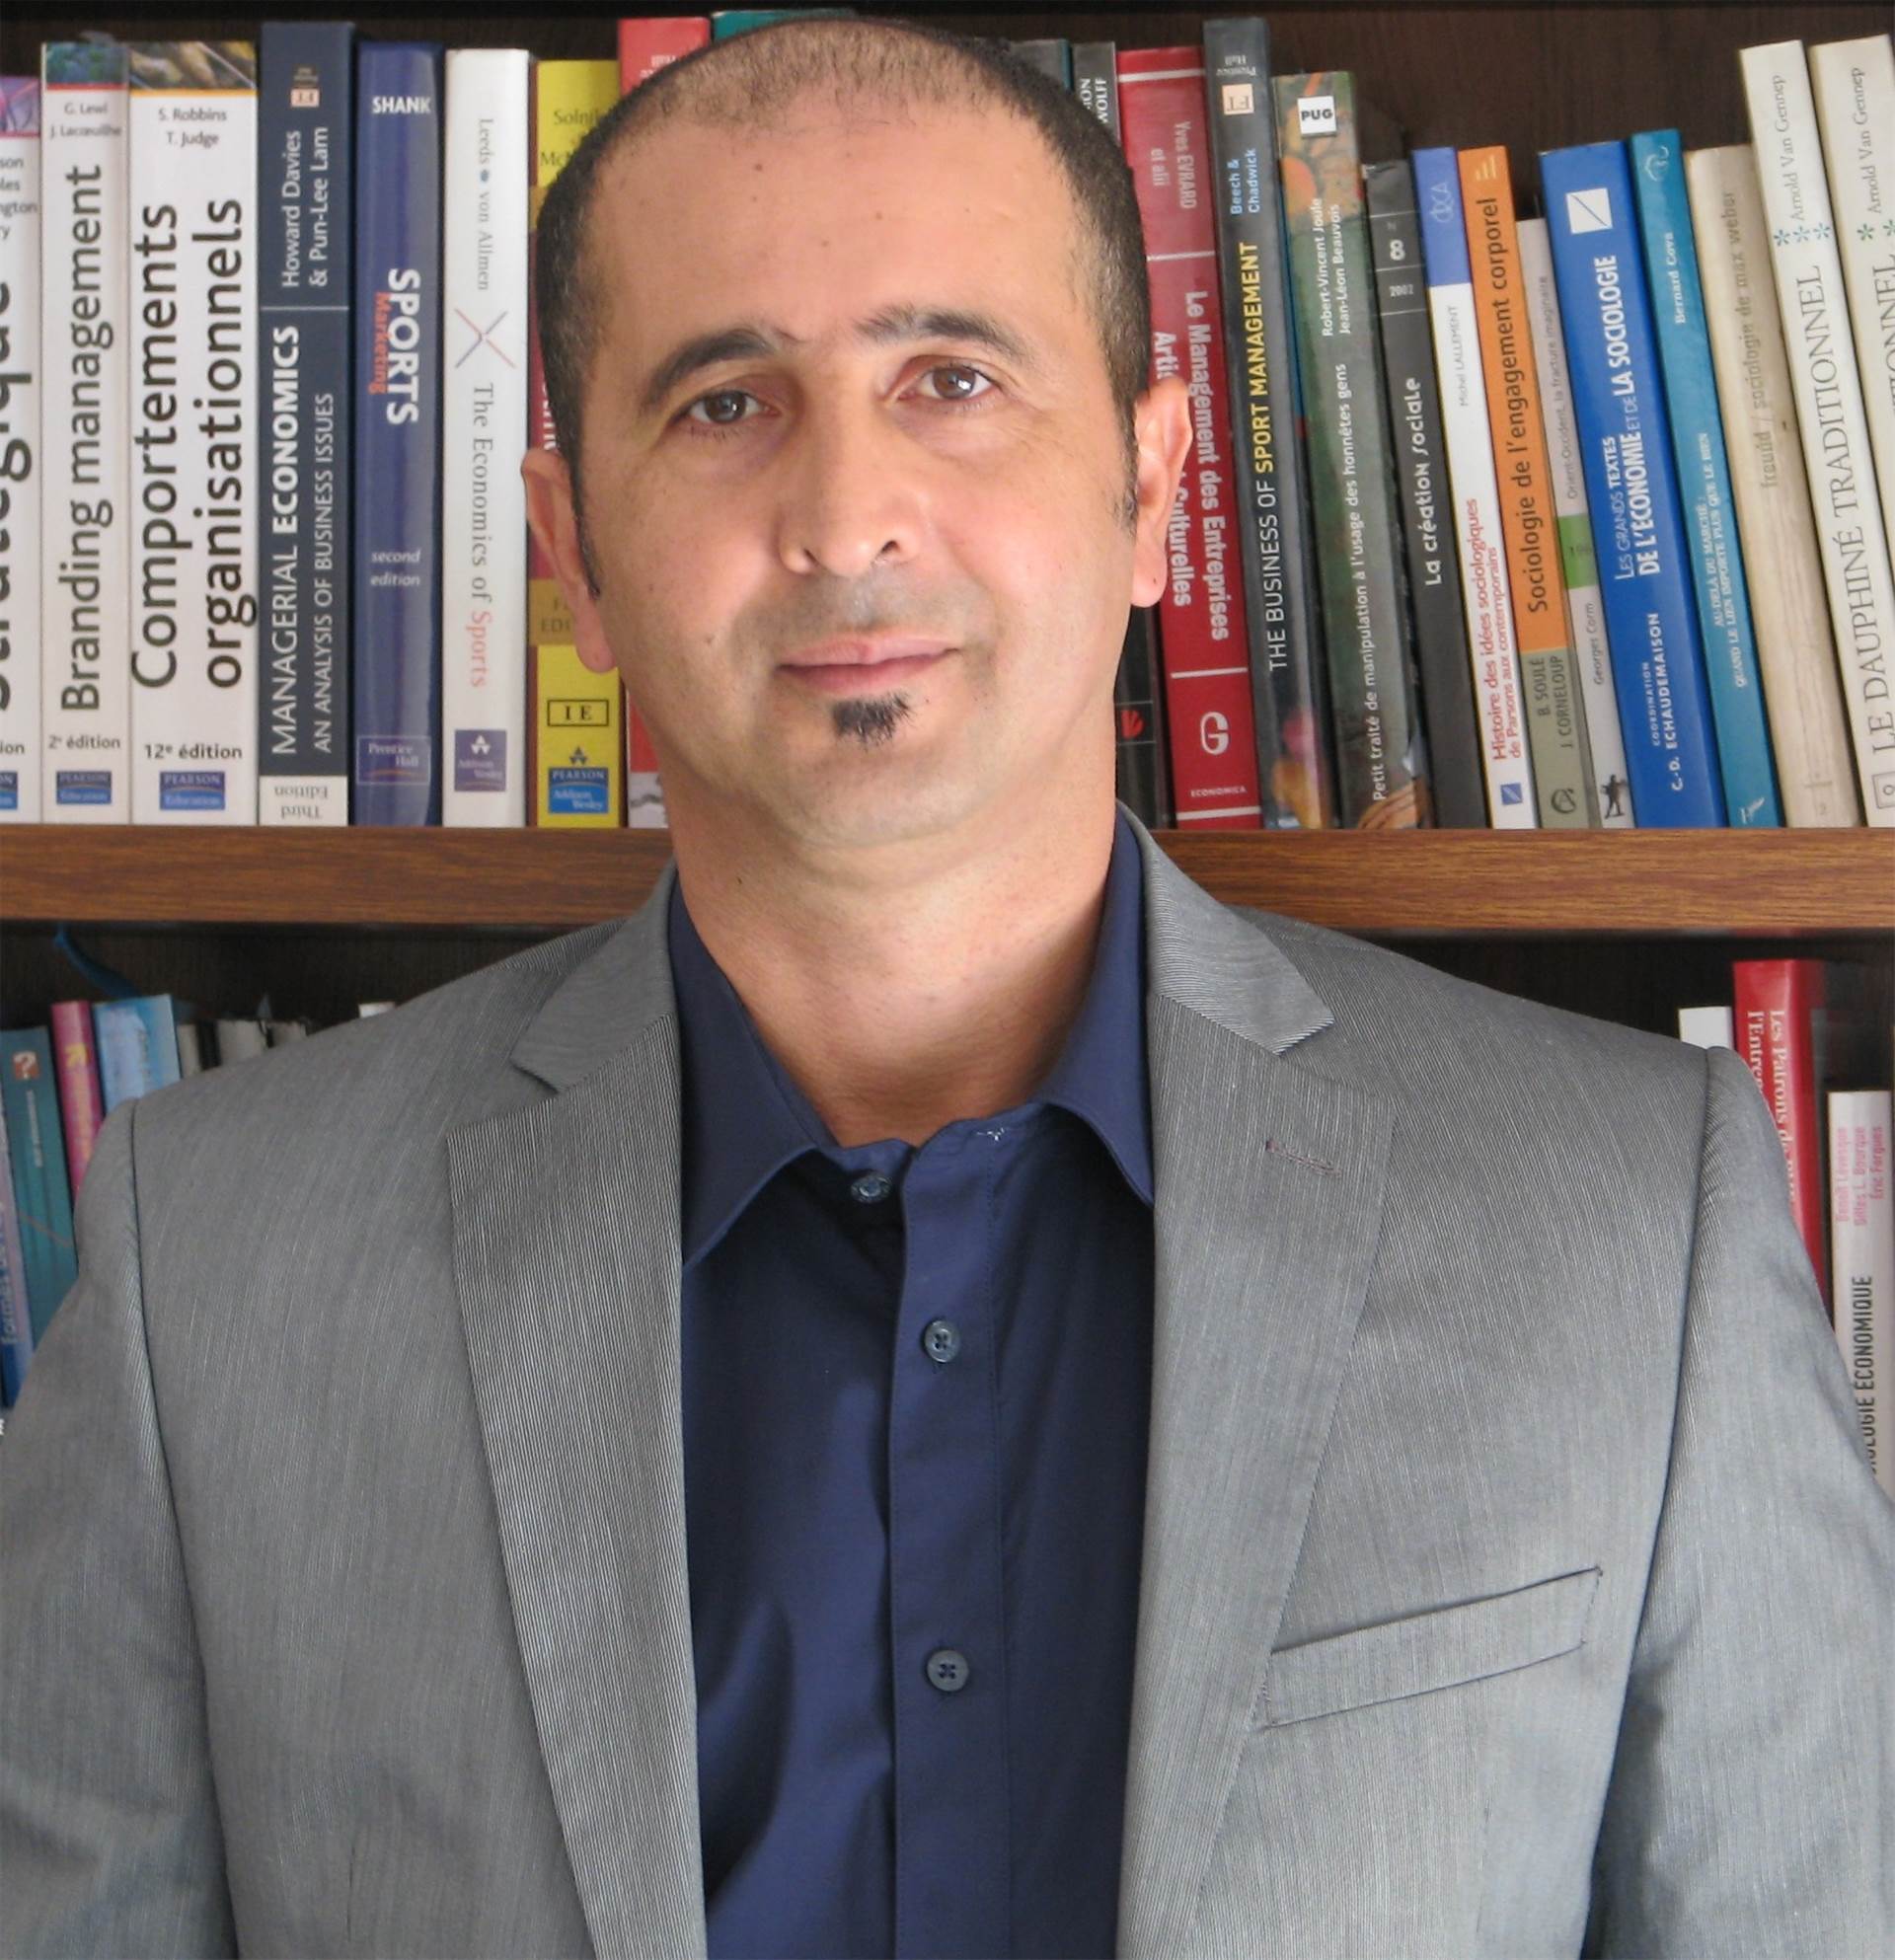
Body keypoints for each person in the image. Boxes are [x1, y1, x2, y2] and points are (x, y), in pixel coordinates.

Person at [2, 17, 1890, 1958]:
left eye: (953, 380)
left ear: (1154, 487)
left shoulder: (1631, 1223)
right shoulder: (206, 1271)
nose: (847, 519)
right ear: (576, 554)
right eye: (724, 403)